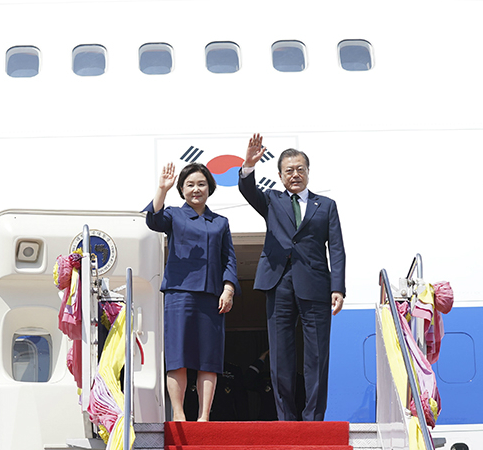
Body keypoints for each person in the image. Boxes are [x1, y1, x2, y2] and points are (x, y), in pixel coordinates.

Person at [238, 133, 345, 421]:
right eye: (289, 170)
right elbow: (248, 189)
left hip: (316, 285)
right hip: (279, 282)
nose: (295, 175)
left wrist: (338, 288)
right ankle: (286, 417)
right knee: (281, 354)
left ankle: (313, 416)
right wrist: (248, 164)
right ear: (280, 175)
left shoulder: (327, 206)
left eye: (300, 169)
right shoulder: (272, 200)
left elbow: (336, 249)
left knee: (317, 355)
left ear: (308, 172)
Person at [144, 162, 238, 421]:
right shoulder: (174, 215)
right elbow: (153, 220)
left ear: (210, 187)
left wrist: (228, 288)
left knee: (209, 357)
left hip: (211, 296)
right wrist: (162, 189)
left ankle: (204, 416)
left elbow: (229, 258)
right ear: (182, 189)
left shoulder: (220, 222)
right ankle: (178, 413)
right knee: (178, 355)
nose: (196, 189)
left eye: (201, 184)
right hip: (179, 294)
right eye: (190, 185)